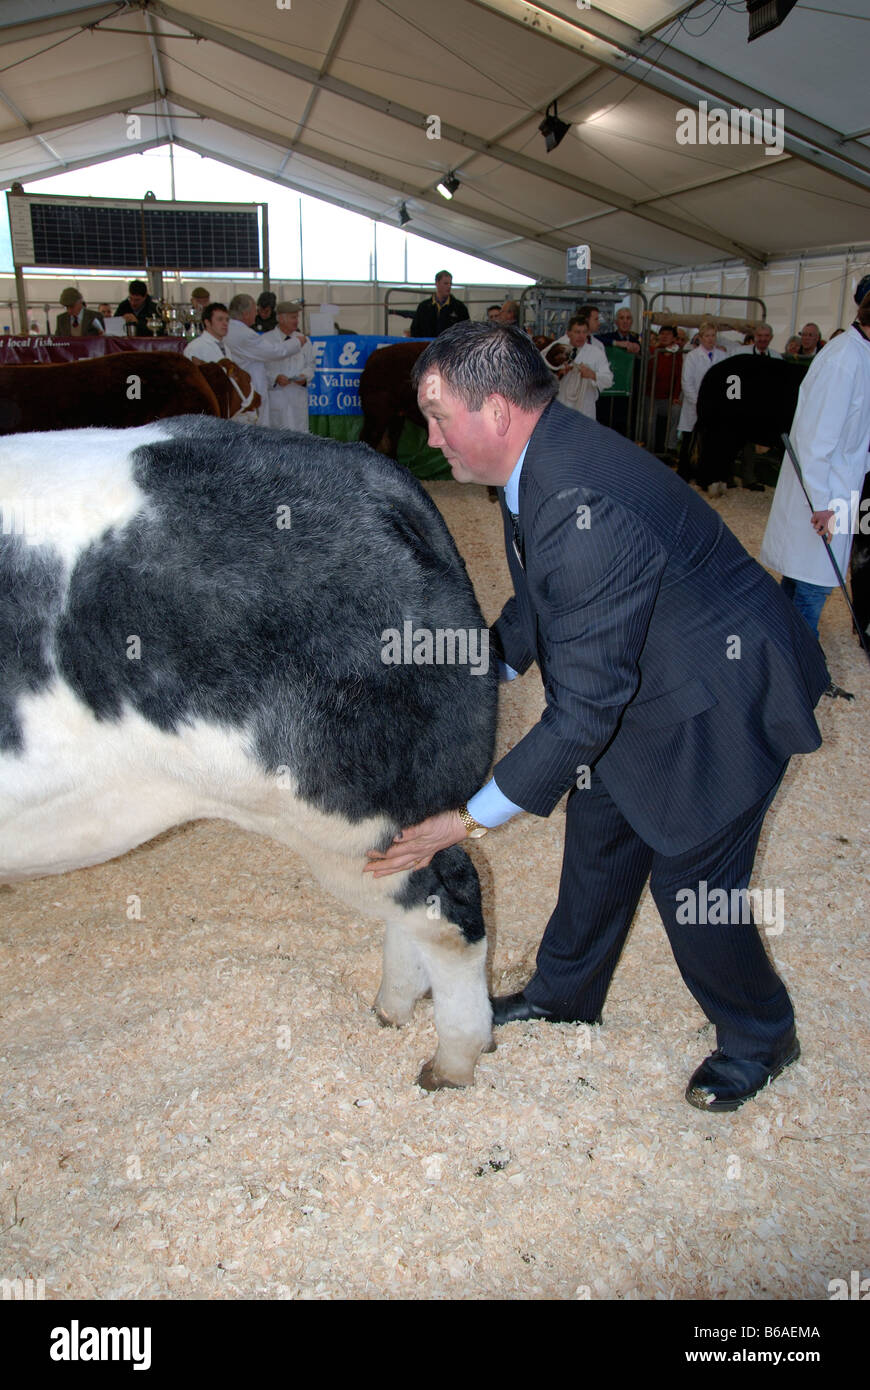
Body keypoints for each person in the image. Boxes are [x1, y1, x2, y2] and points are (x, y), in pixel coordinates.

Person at [365, 321, 828, 1113]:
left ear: (500, 411)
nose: (430, 435)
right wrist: (472, 666)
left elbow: (582, 711)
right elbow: (545, 603)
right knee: (601, 838)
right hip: (652, 682)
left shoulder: (576, 494)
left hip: (721, 699)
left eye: (441, 418)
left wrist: (466, 821)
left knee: (693, 885)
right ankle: (566, 992)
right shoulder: (542, 458)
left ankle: (760, 1034)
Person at [760, 292, 870, 659]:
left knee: (801, 578)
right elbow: (817, 440)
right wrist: (822, 504)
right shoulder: (844, 360)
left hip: (836, 485)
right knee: (813, 584)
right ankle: (801, 666)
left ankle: (781, 656)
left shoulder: (859, 352)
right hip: (823, 491)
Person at [224, 293, 293, 427]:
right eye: (254, 310)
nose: (256, 314)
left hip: (242, 389)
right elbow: (274, 352)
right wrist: (297, 342)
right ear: (245, 314)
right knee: (256, 430)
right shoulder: (245, 334)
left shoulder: (230, 329)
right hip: (249, 389)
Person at [729, 324, 782, 490]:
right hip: (740, 405)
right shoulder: (740, 353)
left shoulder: (776, 357)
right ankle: (727, 476)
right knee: (732, 443)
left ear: (771, 337)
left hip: (761, 408)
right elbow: (732, 377)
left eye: (766, 336)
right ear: (754, 336)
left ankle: (749, 478)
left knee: (751, 444)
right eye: (760, 335)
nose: (763, 339)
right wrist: (733, 401)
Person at [677, 320, 728, 490]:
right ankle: (684, 476)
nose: (710, 339)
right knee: (689, 441)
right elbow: (687, 382)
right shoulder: (692, 356)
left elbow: (728, 382)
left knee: (709, 444)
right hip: (695, 406)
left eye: (713, 336)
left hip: (715, 408)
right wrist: (699, 403)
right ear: (700, 337)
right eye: (707, 336)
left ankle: (704, 477)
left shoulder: (722, 356)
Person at [543, 315, 612, 420]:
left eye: (584, 332)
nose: (581, 336)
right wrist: (559, 373)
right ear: (568, 333)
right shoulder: (557, 348)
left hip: (585, 408)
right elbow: (542, 373)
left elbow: (608, 380)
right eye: (577, 332)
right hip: (562, 405)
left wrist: (592, 375)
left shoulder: (597, 353)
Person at [262, 301, 315, 431]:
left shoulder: (304, 340)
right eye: (293, 317)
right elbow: (261, 369)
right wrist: (275, 378)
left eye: (297, 317)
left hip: (298, 398)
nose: (296, 321)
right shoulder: (266, 340)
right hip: (277, 398)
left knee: (300, 440)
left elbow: (311, 365)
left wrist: (304, 377)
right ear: (281, 318)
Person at [642, 323, 682, 456]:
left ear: (674, 338)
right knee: (650, 422)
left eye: (668, 334)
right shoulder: (653, 351)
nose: (664, 336)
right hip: (651, 396)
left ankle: (670, 446)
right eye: (662, 333)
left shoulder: (678, 354)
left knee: (676, 411)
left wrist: (676, 396)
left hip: (668, 398)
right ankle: (650, 450)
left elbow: (679, 377)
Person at [409, 271, 469, 337]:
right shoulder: (423, 307)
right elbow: (415, 331)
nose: (449, 286)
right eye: (446, 283)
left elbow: (466, 332)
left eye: (450, 284)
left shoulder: (460, 308)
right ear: (437, 283)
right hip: (428, 346)